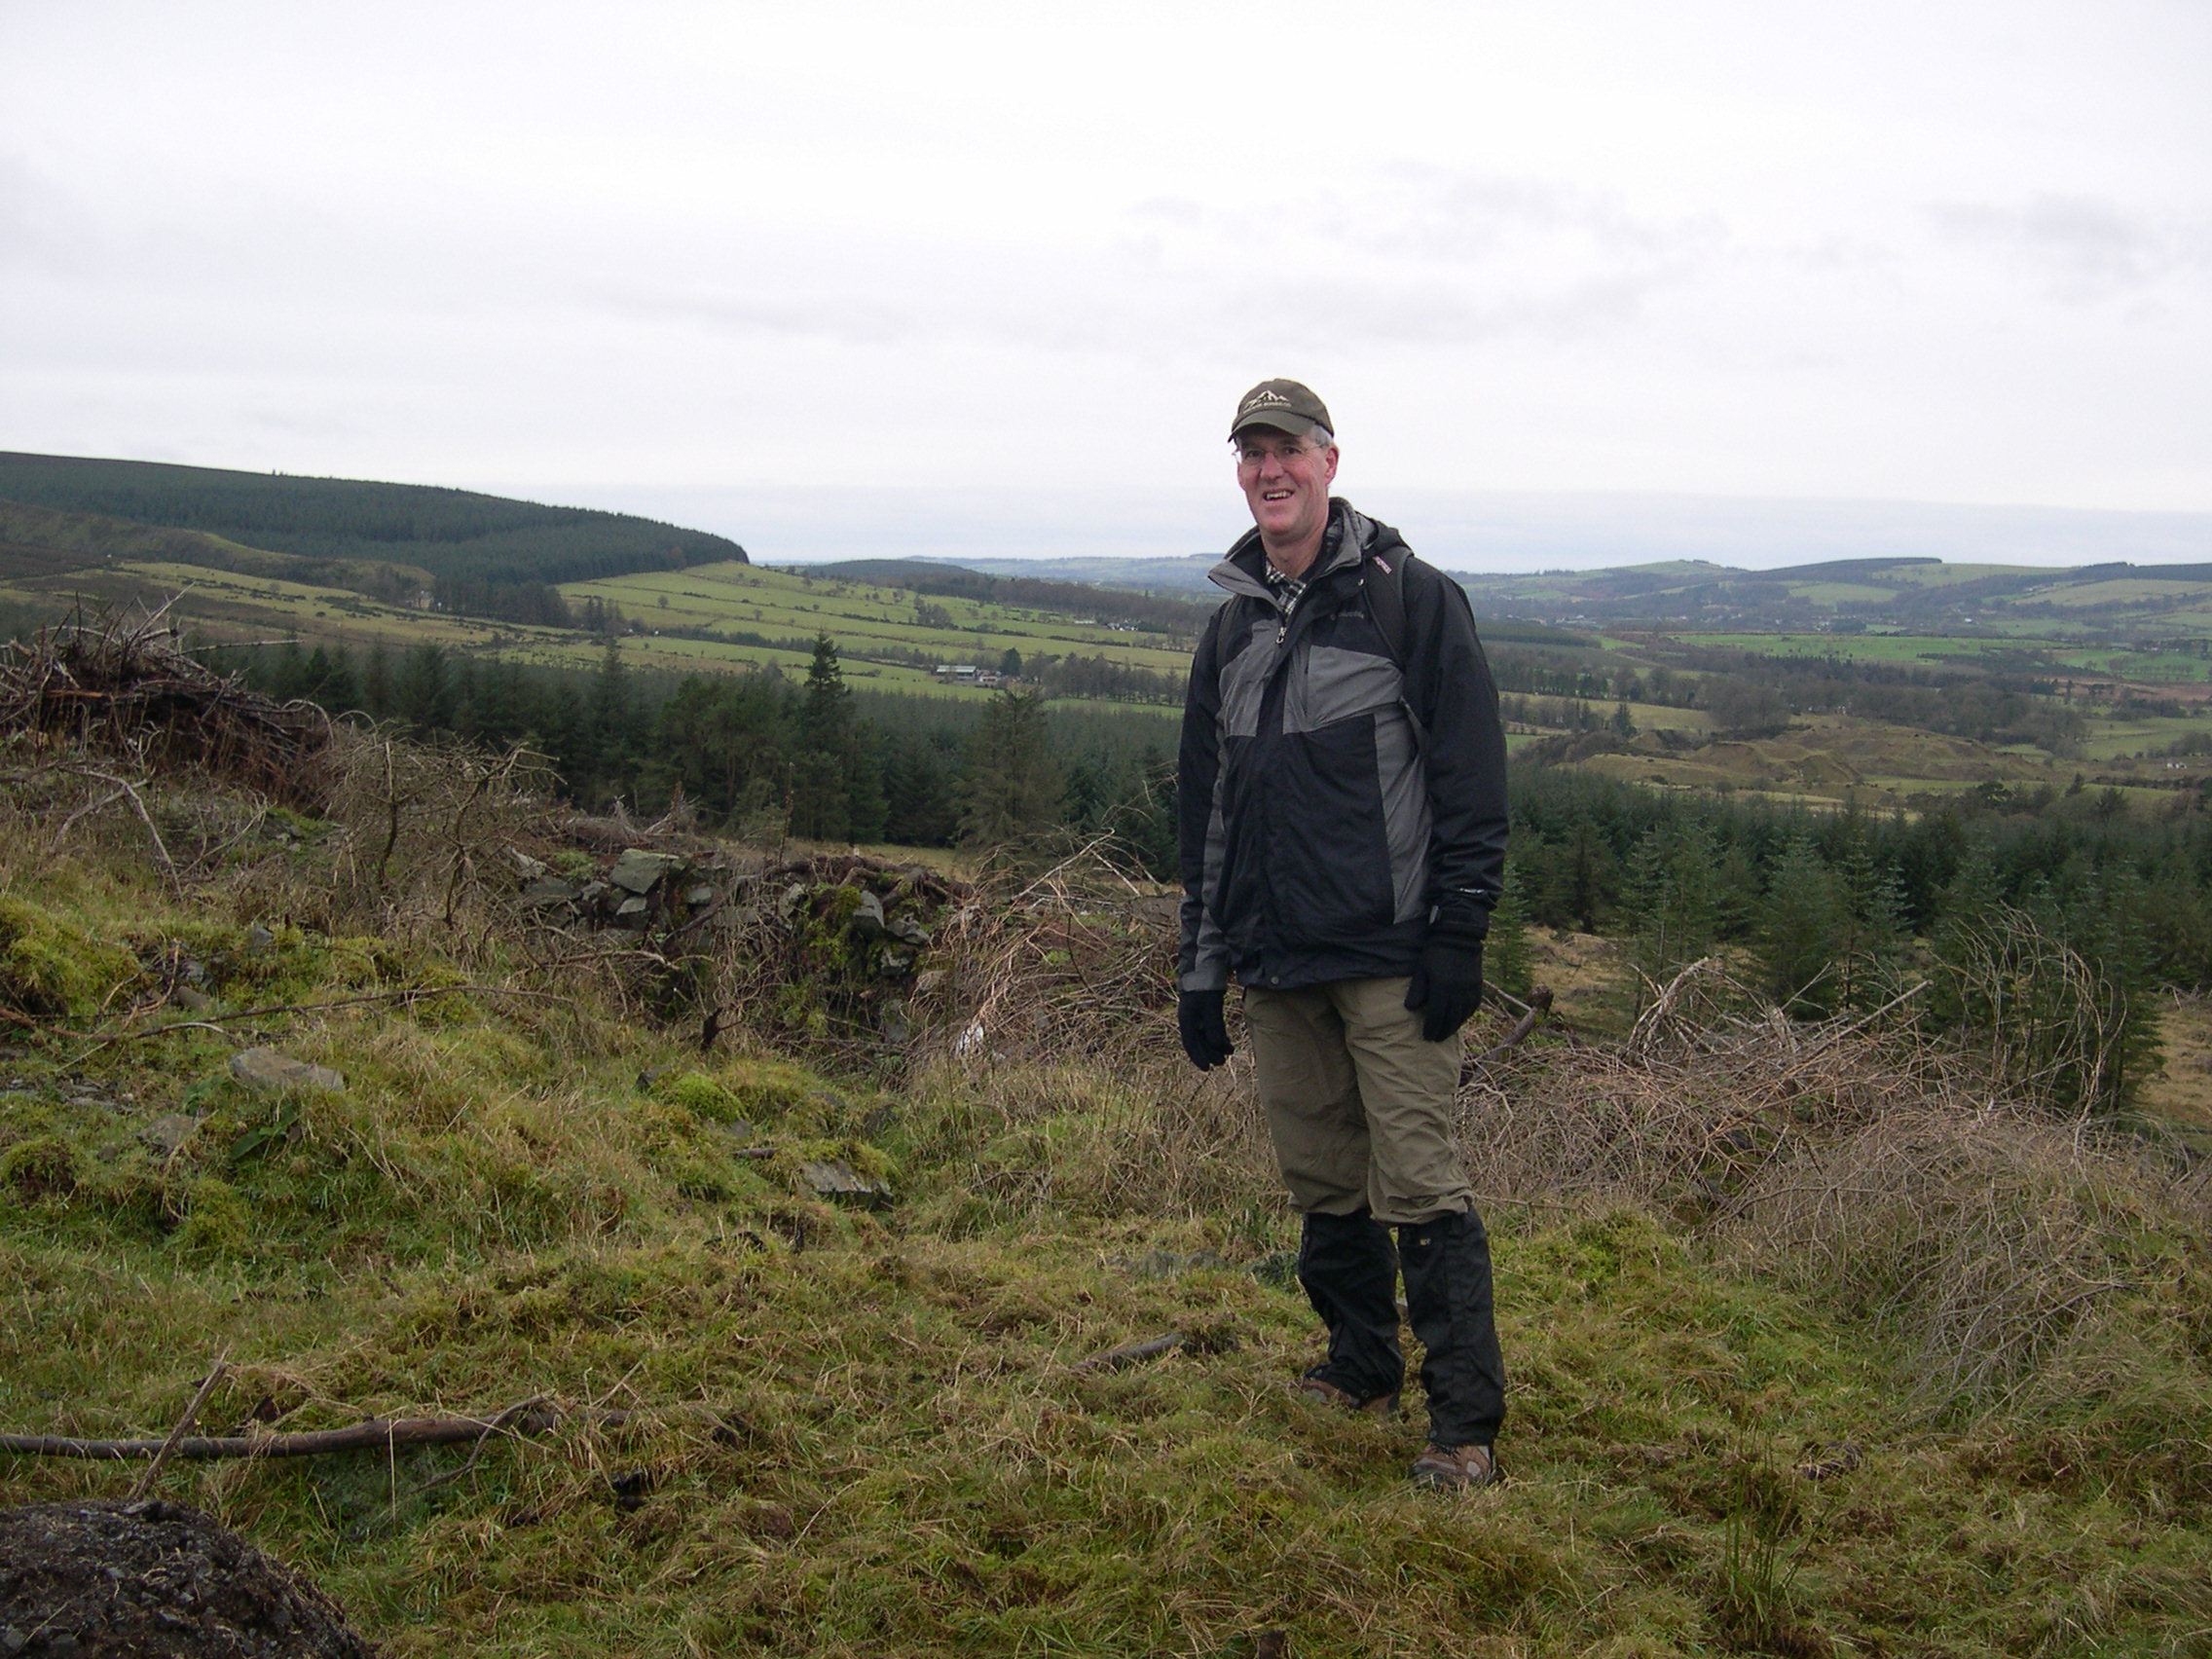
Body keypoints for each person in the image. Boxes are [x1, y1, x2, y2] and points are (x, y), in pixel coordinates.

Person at [1175, 378, 1510, 1491]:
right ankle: (1358, 1361)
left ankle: (1462, 1425)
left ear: (1330, 462)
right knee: (1322, 1183)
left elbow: (1469, 785)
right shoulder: (1228, 631)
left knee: (1420, 1184)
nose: (1269, 470)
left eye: (1289, 451)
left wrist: (1458, 933)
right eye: (1251, 454)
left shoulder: (1408, 601)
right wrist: (1201, 962)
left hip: (1389, 960)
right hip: (1277, 962)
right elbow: (1206, 812)